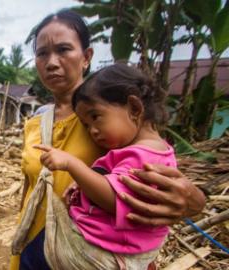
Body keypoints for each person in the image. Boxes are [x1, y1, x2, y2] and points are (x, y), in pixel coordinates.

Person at [9, 8, 206, 270]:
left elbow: (160, 178)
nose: (51, 62)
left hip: (89, 254)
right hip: (35, 246)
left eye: (64, 49)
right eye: (42, 53)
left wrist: (195, 202)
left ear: (87, 56)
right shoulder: (36, 121)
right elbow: (31, 185)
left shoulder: (115, 120)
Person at [34, 63, 174, 269]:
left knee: (33, 254)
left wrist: (72, 164)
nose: (93, 131)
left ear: (134, 108)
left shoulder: (143, 156)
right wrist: (83, 184)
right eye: (86, 125)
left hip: (102, 250)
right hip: (115, 246)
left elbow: (114, 199)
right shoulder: (156, 150)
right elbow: (113, 181)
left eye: (95, 117)